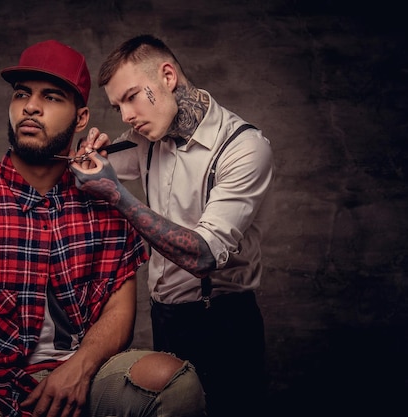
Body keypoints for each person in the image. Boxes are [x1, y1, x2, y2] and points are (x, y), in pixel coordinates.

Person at [0, 39, 206, 417]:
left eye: (52, 97)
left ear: (80, 118)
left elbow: (119, 311)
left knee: (174, 383)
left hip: (81, 377)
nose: (30, 106)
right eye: (22, 94)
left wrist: (79, 368)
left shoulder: (104, 207)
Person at [70, 34, 275, 417]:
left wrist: (117, 193)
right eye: (118, 107)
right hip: (165, 318)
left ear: (167, 76)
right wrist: (88, 154)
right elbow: (93, 169)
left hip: (223, 321)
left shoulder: (244, 148)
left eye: (131, 97)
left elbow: (203, 255)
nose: (126, 115)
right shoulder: (147, 137)